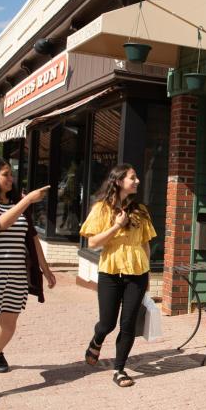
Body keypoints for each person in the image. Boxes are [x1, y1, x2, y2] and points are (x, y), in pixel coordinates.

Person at [0, 158, 56, 403]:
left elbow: (33, 237)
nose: (10, 179)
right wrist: (27, 201)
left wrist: (45, 269)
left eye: (11, 175)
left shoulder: (16, 204)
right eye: (5, 174)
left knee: (10, 323)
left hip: (16, 275)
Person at [79, 164, 157, 388]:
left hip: (137, 272)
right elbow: (93, 243)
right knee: (107, 323)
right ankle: (97, 339)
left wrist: (148, 274)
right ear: (119, 181)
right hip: (111, 271)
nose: (138, 181)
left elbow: (145, 243)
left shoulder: (141, 210)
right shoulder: (102, 209)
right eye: (133, 177)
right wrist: (116, 226)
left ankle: (119, 369)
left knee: (128, 323)